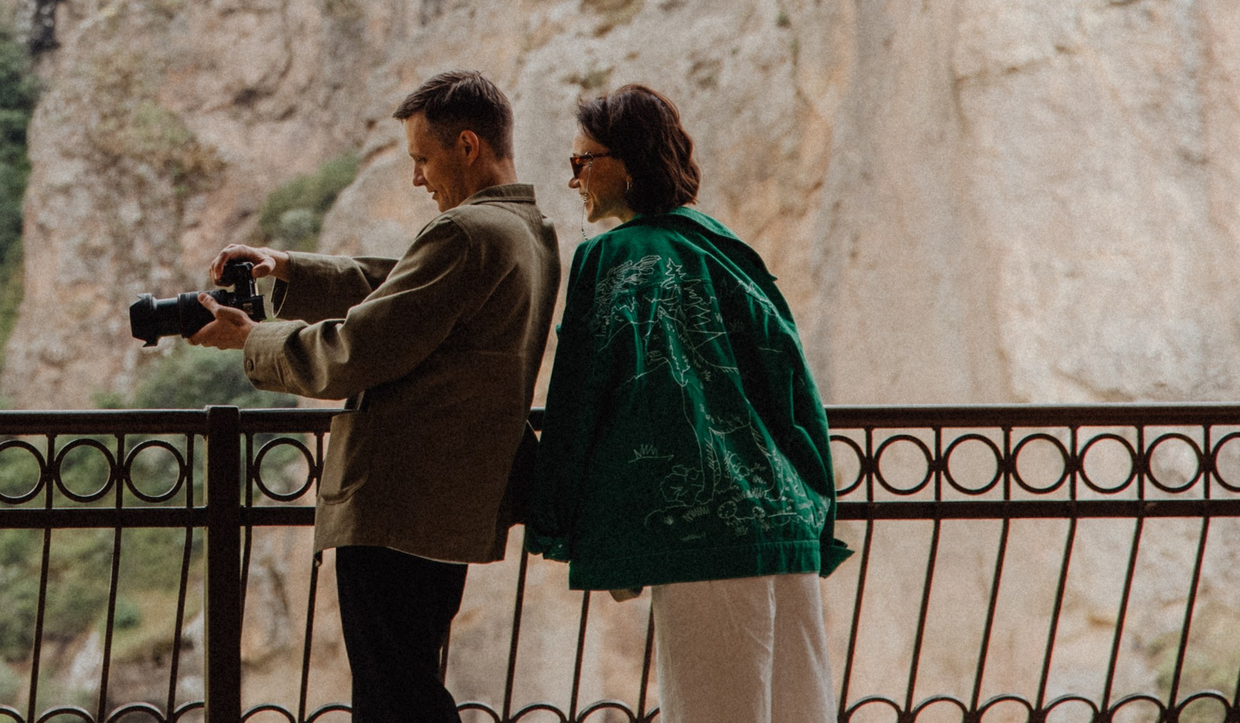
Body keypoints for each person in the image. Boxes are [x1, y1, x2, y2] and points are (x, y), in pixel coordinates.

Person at [188, 70, 561, 723]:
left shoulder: (466, 232)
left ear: (467, 145)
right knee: (407, 688)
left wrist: (250, 339)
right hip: (448, 503)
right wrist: (287, 268)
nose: (417, 178)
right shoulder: (528, 231)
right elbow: (401, 290)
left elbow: (356, 350)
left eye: (423, 158)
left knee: (394, 700)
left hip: (400, 504)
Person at [527, 84, 851, 723]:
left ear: (628, 162)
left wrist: (555, 516)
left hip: (705, 536)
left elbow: (579, 397)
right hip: (784, 524)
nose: (573, 178)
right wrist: (816, 508)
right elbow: (794, 389)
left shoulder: (609, 258)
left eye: (582, 160)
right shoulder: (727, 248)